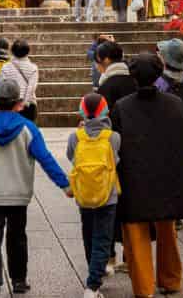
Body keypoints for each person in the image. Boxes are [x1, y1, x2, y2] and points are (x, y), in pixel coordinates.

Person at [0, 78, 71, 298]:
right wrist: (65, 184)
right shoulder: (28, 128)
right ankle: (19, 280)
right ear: (18, 103)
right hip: (18, 194)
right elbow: (46, 158)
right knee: (17, 236)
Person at [110, 54, 183, 298]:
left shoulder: (122, 107)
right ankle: (171, 278)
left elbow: (115, 142)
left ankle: (144, 287)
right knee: (167, 228)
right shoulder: (176, 103)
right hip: (168, 174)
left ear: (132, 76)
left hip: (134, 175)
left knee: (135, 232)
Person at [67, 92, 120, 298]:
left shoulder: (75, 137)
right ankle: (93, 285)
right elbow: (116, 160)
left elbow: (71, 156)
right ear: (105, 111)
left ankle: (94, 268)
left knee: (88, 233)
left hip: (84, 193)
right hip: (107, 195)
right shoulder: (113, 137)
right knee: (103, 237)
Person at [0, 38, 40, 120]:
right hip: (28, 106)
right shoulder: (33, 68)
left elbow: (3, 86)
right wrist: (24, 103)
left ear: (12, 51)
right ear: (27, 52)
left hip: (10, 105)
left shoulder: (6, 67)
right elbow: (31, 88)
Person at [94, 40, 136, 108]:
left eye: (97, 61)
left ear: (106, 60)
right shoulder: (136, 80)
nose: (96, 66)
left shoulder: (105, 87)